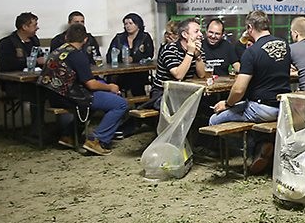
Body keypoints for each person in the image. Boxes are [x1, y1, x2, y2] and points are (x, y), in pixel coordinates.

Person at [210, 11, 292, 174]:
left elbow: (239, 89)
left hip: (261, 108)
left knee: (214, 120)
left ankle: (253, 148)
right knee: (247, 111)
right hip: (283, 106)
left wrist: (227, 104)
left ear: (249, 28)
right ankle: (263, 145)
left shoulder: (252, 52)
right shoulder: (284, 44)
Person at [38, 23, 128, 156]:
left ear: (66, 37)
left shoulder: (57, 51)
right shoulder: (77, 55)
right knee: (120, 104)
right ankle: (97, 140)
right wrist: (110, 87)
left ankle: (69, 135)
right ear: (85, 39)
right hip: (72, 97)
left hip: (54, 96)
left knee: (100, 97)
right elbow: (91, 85)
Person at [149, 18, 208, 109]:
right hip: (163, 93)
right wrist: (190, 52)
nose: (200, 34)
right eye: (196, 31)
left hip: (186, 92)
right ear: (184, 34)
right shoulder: (170, 49)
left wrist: (198, 56)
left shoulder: (198, 49)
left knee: (208, 103)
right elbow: (178, 75)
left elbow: (202, 75)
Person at [106, 13, 155, 96]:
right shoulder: (119, 38)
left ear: (138, 24)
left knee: (136, 80)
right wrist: (120, 60)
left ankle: (139, 101)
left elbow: (149, 54)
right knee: (113, 78)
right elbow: (110, 55)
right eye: (126, 24)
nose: (128, 26)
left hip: (139, 72)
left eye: (130, 23)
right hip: (121, 71)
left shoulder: (145, 37)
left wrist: (134, 59)